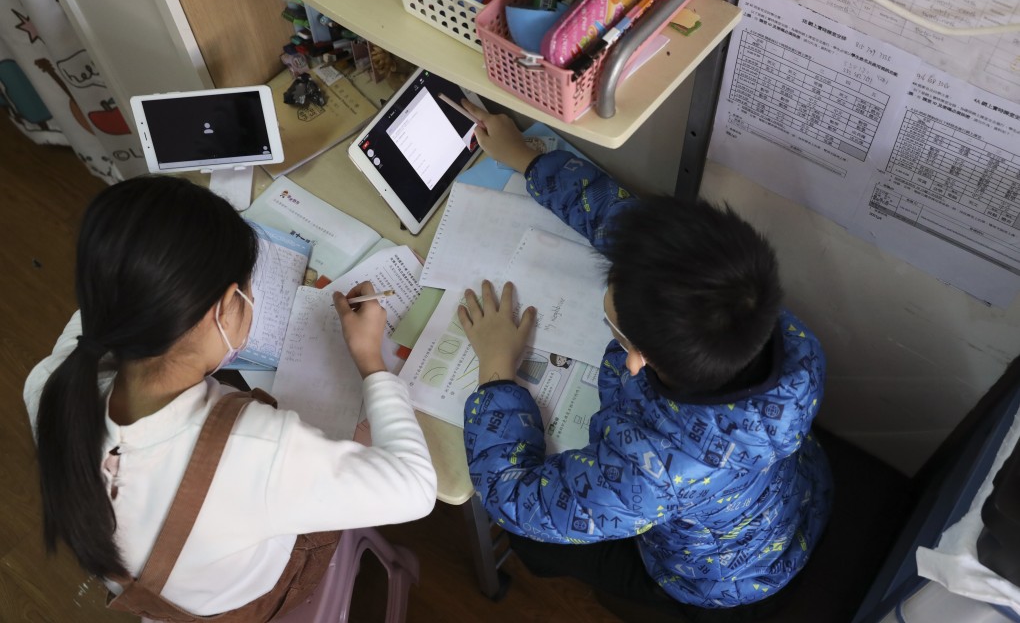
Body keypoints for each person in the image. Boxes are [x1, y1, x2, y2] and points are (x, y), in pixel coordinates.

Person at [456, 102, 833, 621]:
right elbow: (631, 227)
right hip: (798, 493)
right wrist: (527, 160)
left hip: (718, 581)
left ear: (637, 358)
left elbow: (509, 495)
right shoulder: (782, 333)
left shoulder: (647, 474)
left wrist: (497, 371)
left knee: (536, 544)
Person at [23, 175, 437, 620]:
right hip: (250, 595)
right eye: (248, 288)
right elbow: (415, 488)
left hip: (165, 592)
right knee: (358, 434)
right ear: (224, 308)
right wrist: (370, 360)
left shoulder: (50, 382)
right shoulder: (257, 449)